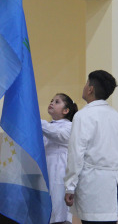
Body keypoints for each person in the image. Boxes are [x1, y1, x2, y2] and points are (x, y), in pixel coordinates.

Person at [64, 70, 118, 224]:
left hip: (92, 184)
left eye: (86, 83)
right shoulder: (117, 116)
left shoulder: (83, 116)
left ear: (90, 89)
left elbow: (76, 154)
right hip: (113, 183)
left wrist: (70, 187)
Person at [41, 93, 78, 224]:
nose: (52, 103)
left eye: (57, 102)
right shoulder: (48, 126)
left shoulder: (69, 126)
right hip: (47, 173)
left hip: (59, 176)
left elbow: (57, 134)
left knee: (58, 213)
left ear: (66, 110)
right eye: (51, 100)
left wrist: (36, 120)